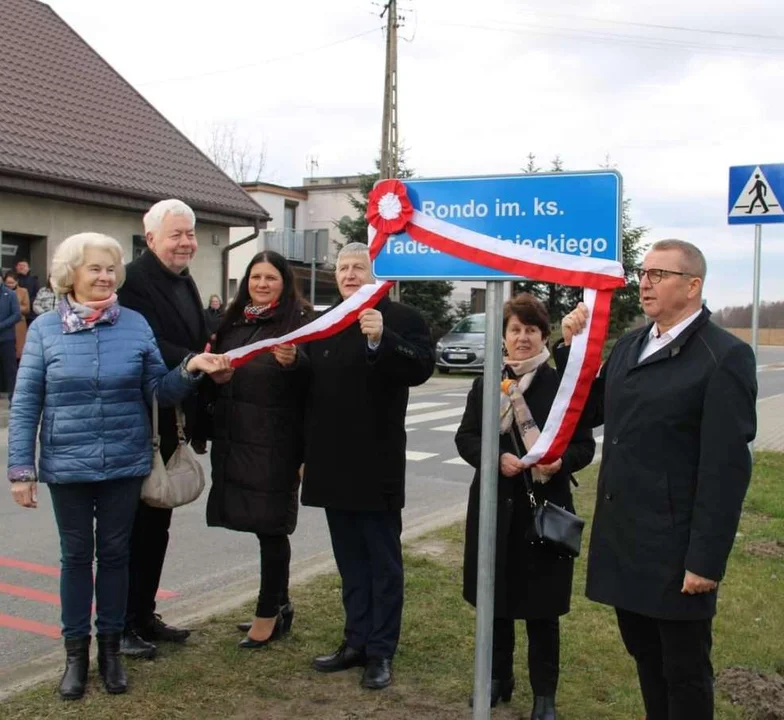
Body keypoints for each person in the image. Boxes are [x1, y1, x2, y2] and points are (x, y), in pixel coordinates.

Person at [7, 232, 229, 700]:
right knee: (74, 560)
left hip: (125, 464)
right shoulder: (46, 329)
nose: (106, 276)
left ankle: (110, 654)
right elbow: (27, 403)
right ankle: (75, 658)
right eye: (95, 268)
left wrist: (190, 370)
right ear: (72, 273)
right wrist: (21, 471)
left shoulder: (134, 324)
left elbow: (158, 390)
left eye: (111, 269)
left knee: (114, 557)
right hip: (67, 467)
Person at [560, 239, 757, 720]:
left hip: (676, 549)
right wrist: (575, 350)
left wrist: (705, 561)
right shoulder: (631, 345)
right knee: (645, 658)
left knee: (684, 672)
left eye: (658, 275)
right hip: (627, 540)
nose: (644, 283)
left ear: (693, 286)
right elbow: (587, 410)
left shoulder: (723, 357)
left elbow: (726, 469)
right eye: (643, 273)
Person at [455, 293, 595, 719]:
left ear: (544, 336)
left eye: (531, 330)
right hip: (495, 506)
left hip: (543, 509)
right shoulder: (487, 382)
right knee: (494, 598)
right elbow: (466, 437)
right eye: (514, 330)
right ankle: (498, 678)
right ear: (503, 337)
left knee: (542, 607)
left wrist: (559, 462)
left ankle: (544, 696)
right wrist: (494, 458)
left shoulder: (561, 386)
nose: (522, 338)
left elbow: (584, 445)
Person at [303, 242, 435, 690]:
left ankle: (381, 651)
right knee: (350, 563)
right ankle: (355, 641)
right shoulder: (324, 322)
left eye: (359, 267)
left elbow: (421, 367)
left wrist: (382, 339)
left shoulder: (402, 319)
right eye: (342, 267)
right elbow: (310, 391)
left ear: (376, 275)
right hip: (331, 464)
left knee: (383, 564)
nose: (349, 274)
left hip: (375, 464)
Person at [201, 251, 310, 648]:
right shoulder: (233, 322)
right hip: (237, 439)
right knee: (259, 525)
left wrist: (296, 362)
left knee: (271, 527)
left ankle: (267, 614)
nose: (262, 284)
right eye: (255, 277)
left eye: (271, 278)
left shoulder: (300, 322)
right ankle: (279, 605)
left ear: (285, 283)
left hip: (276, 444)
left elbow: (315, 384)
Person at [117, 199, 209, 658]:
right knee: (135, 528)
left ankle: (144, 614)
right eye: (176, 234)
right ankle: (124, 623)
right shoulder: (133, 281)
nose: (186, 242)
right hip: (141, 419)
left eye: (190, 234)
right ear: (150, 237)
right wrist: (199, 363)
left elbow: (194, 335)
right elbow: (149, 343)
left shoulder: (184, 280)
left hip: (170, 416)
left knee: (159, 521)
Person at [0, 281, 21, 403]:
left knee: (10, 370)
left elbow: (16, 315)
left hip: (6, 338)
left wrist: (1, 325)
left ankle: (14, 399)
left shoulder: (10, 294)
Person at [4, 272, 30, 361]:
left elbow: (27, 308)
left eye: (12, 283)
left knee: (19, 349)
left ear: (16, 282)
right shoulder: (3, 292)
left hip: (19, 324)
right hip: (6, 323)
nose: (10, 285)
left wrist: (14, 306)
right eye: (7, 283)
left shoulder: (23, 291)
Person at [15, 259, 39, 324]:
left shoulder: (34, 280)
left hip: (30, 314)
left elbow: (36, 296)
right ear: (16, 267)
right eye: (20, 265)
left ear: (29, 268)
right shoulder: (12, 280)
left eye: (24, 266)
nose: (22, 267)